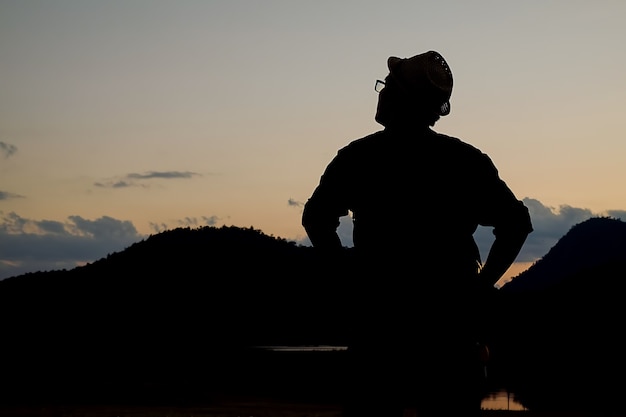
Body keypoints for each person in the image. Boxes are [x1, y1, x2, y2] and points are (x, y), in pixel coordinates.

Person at [301, 50, 533, 417]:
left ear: (397, 96)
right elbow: (516, 224)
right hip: (450, 334)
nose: (382, 90)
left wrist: (348, 277)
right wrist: (480, 287)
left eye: (387, 84)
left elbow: (315, 218)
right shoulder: (466, 161)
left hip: (379, 332)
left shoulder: (359, 158)